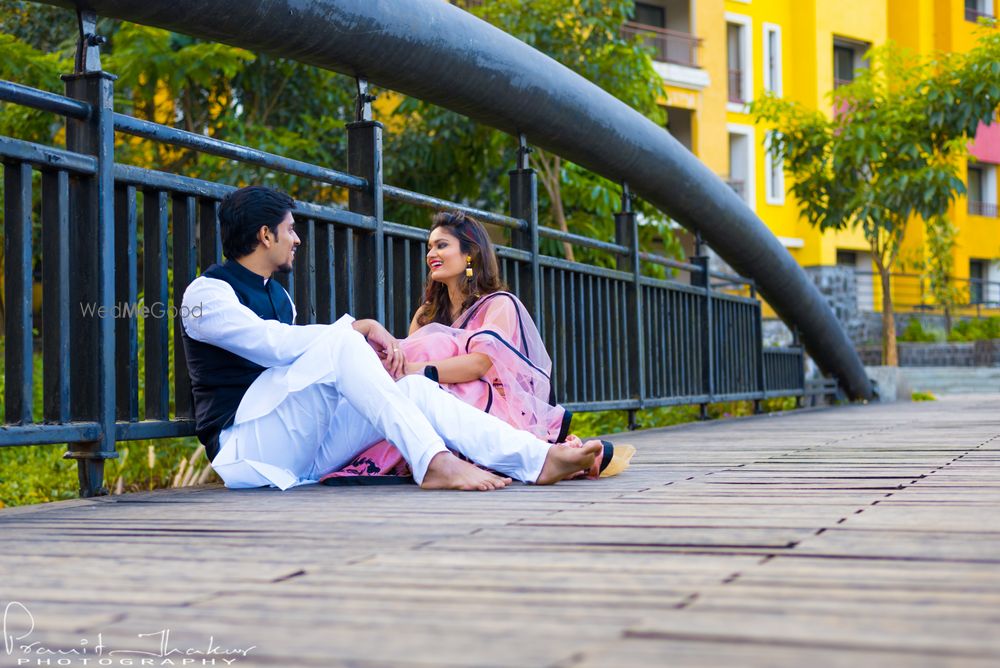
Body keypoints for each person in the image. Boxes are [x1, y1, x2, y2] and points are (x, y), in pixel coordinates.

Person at [180, 185, 603, 492]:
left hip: (300, 447)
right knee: (345, 343)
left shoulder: (280, 296)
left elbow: (293, 368)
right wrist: (357, 328)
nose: (297, 238)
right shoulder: (205, 295)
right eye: (289, 229)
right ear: (265, 235)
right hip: (246, 449)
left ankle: (538, 459)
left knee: (413, 386)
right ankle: (434, 463)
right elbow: (271, 345)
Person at [323, 211, 634, 483]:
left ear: (469, 254)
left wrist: (416, 372)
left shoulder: (498, 304)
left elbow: (480, 364)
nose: (432, 253)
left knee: (432, 361)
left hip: (485, 399)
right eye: (429, 246)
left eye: (442, 245)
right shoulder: (426, 313)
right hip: (433, 395)